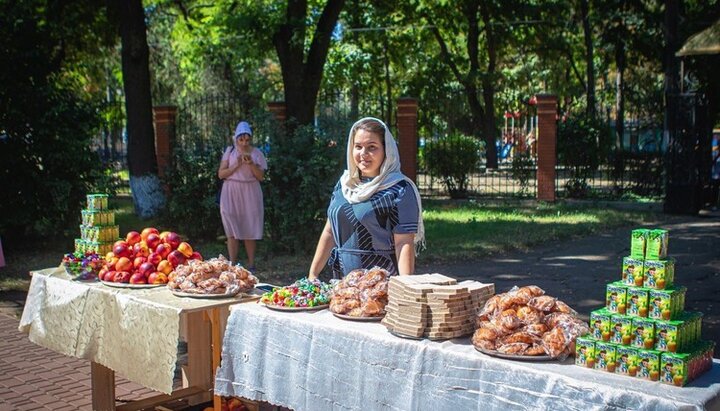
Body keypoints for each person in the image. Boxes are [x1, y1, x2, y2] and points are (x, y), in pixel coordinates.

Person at [308, 117, 424, 280]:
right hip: (343, 285)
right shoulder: (344, 185)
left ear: (386, 150)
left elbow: (403, 243)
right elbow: (330, 231)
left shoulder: (399, 189)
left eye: (372, 147)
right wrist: (313, 274)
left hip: (380, 286)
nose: (363, 154)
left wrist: (405, 287)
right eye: (358, 147)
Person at [217, 121, 267, 270]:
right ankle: (232, 264)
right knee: (231, 228)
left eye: (247, 140)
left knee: (249, 227)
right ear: (236, 139)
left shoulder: (256, 153)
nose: (244, 143)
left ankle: (251, 264)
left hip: (250, 191)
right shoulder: (230, 151)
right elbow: (221, 174)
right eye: (241, 139)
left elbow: (260, 177)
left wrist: (251, 164)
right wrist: (236, 165)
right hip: (231, 190)